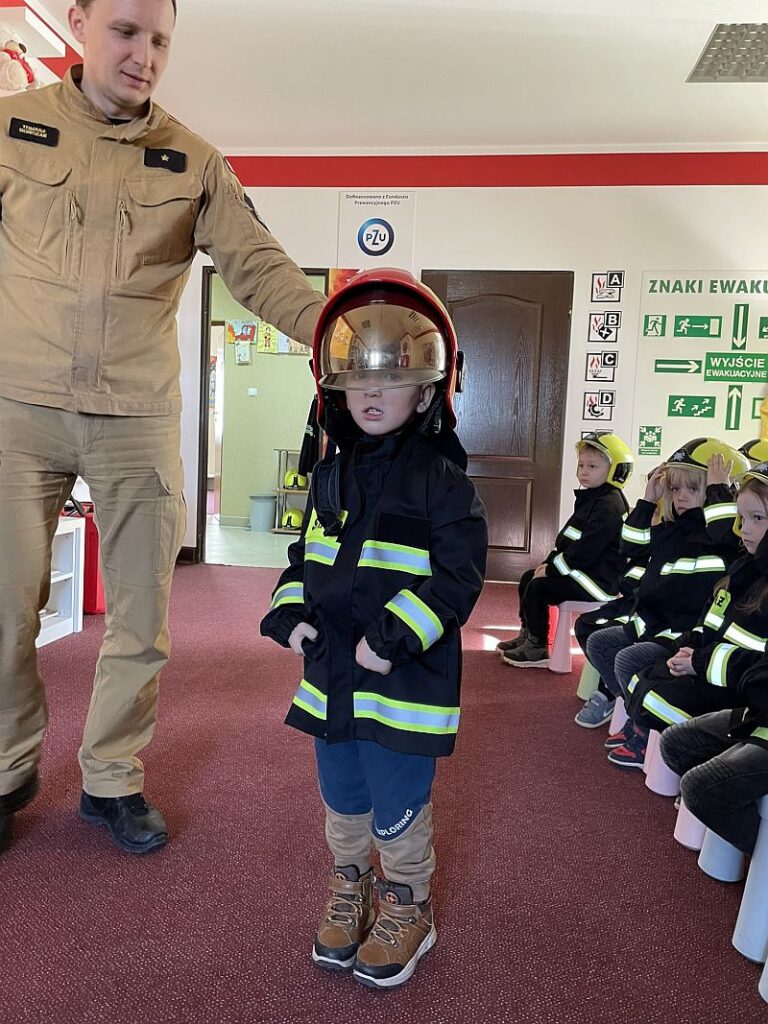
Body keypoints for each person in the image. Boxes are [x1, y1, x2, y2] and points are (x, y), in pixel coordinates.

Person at [0, 0, 326, 855]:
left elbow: (259, 267)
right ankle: (5, 770)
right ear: (78, 22)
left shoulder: (194, 160)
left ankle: (111, 777)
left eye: (160, 41)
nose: (143, 54)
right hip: (19, 409)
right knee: (3, 611)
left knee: (141, 619)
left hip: (137, 418)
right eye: (125, 31)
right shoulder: (11, 128)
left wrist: (340, 326)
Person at [260, 269, 487, 989]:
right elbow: (304, 558)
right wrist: (291, 613)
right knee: (342, 794)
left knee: (397, 801)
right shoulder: (331, 475)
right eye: (358, 378)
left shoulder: (444, 483)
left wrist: (392, 638)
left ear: (428, 390)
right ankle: (351, 884)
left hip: (403, 681)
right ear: (334, 390)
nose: (372, 392)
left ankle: (409, 903)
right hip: (331, 675)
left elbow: (457, 579)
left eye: (392, 378)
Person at [586, 438, 746, 770]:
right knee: (600, 642)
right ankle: (637, 716)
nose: (681, 497)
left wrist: (719, 491)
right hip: (655, 624)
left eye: (693, 489)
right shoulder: (673, 528)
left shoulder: (720, 536)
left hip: (683, 634)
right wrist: (647, 501)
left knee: (628, 660)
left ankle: (643, 730)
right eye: (675, 489)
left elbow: (728, 535)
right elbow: (631, 547)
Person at [628, 462, 768, 740]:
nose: (745, 529)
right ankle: (644, 738)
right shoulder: (742, 568)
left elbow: (755, 668)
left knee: (651, 692)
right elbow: (710, 623)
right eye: (742, 518)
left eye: (757, 518)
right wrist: (690, 647)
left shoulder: (727, 553)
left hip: (742, 690)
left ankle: (654, 743)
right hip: (707, 666)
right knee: (641, 680)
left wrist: (698, 661)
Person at [499, 430, 633, 668]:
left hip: (598, 582)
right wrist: (548, 563)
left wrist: (552, 570)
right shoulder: (593, 499)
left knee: (538, 587)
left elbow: (585, 551)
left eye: (592, 466)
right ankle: (528, 634)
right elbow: (568, 541)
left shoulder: (608, 505)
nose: (584, 471)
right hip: (585, 572)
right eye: (581, 465)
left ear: (616, 471)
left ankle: (538, 647)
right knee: (528, 578)